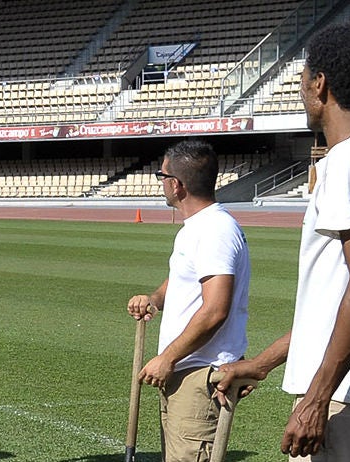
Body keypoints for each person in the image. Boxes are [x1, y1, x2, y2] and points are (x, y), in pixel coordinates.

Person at [216, 22, 350, 462]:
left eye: (302, 80)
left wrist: (315, 400)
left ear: (319, 84)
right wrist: (264, 363)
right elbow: (334, 301)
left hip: (346, 403)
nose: (301, 91)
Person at [125, 140, 251, 462]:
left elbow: (215, 310)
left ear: (176, 185)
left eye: (161, 175)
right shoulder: (195, 228)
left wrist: (167, 358)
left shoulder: (215, 230)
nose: (160, 182)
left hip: (199, 373)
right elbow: (184, 281)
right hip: (184, 372)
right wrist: (153, 299)